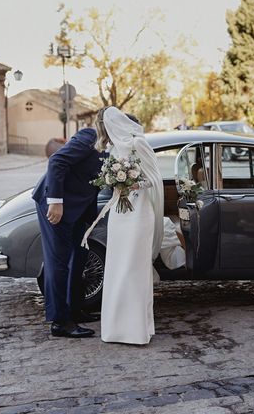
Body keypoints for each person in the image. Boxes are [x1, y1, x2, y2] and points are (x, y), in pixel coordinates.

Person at [86, 106, 164, 345]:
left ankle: (137, 330)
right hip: (119, 215)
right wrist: (114, 181)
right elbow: (109, 181)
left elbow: (154, 179)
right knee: (117, 268)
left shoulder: (138, 143)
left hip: (139, 214)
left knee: (134, 269)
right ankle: (116, 329)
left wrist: (132, 183)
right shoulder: (113, 149)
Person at [31, 126, 103, 338]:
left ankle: (75, 309)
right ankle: (60, 321)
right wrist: (55, 202)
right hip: (56, 204)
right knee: (58, 262)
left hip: (81, 207)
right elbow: (57, 161)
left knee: (79, 257)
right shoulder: (90, 136)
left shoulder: (117, 147)